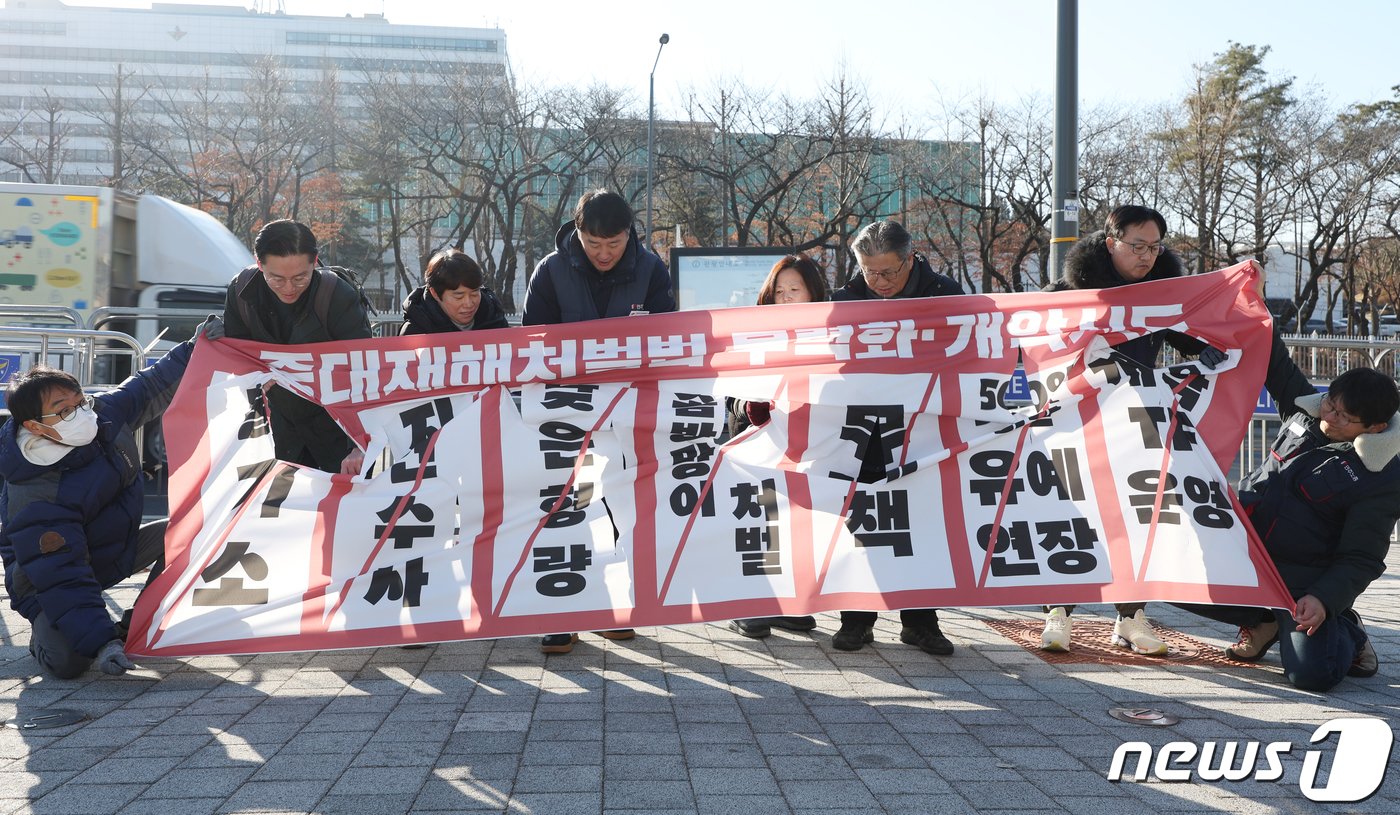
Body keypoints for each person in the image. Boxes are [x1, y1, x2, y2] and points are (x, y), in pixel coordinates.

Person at [1039, 204, 1226, 656]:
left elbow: (1191, 336)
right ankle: (1058, 610)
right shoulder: (1070, 292)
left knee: (1138, 517)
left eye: (1155, 247)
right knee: (1073, 514)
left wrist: (1212, 346)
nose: (1146, 256)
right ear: (1111, 243)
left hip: (1137, 425)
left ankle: (1130, 616)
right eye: (1137, 246)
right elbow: (1029, 338)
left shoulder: (1163, 296)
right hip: (1076, 423)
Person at [1183, 320, 1399, 692]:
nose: (1328, 418)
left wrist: (1324, 599)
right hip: (1244, 556)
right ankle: (1263, 622)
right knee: (1167, 579)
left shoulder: (1381, 477)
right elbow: (1273, 356)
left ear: (1375, 428)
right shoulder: (1304, 411)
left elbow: (1361, 558)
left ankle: (1346, 628)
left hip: (1301, 585)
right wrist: (1253, 302)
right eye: (1330, 403)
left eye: (1343, 417)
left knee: (1312, 675)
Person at [0, 319, 220, 678]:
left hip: (109, 549)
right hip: (45, 581)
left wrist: (195, 347)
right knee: (69, 663)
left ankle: (138, 626)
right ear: (35, 427)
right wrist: (103, 644)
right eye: (64, 410)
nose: (80, 413)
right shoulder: (36, 491)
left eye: (80, 401)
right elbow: (62, 573)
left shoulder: (100, 415)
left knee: (194, 532)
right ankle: (45, 637)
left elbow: (150, 385)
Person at [522, 189, 676, 654]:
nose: (604, 253)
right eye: (594, 244)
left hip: (624, 414)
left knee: (617, 510)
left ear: (630, 234)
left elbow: (665, 340)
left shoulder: (651, 271)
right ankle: (560, 614)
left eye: (614, 243)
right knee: (563, 510)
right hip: (564, 414)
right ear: (578, 232)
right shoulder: (550, 271)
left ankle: (613, 607)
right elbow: (533, 342)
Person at [829, 220, 964, 657]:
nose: (879, 282)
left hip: (926, 432)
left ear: (911, 259)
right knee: (862, 522)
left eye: (888, 272)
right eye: (869, 271)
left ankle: (921, 623)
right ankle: (856, 619)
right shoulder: (844, 301)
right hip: (865, 433)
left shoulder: (945, 295)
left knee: (922, 524)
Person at [725, 254, 828, 640]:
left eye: (794, 290)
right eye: (779, 291)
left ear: (814, 293)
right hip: (758, 444)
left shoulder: (831, 336)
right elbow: (730, 391)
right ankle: (748, 605)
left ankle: (787, 604)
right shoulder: (754, 333)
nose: (785, 298)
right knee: (757, 521)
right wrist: (746, 406)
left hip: (807, 448)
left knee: (795, 526)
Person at [223, 219, 372, 474]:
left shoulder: (337, 296)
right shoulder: (242, 292)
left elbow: (363, 372)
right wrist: (253, 375)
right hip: (277, 427)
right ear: (259, 263)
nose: (289, 288)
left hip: (338, 428)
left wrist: (360, 444)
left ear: (315, 261)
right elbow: (236, 355)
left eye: (300, 277)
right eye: (276, 279)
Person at [400, 248, 510, 335]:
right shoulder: (416, 332)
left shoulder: (496, 321)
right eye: (459, 297)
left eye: (474, 293)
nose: (469, 304)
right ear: (435, 293)